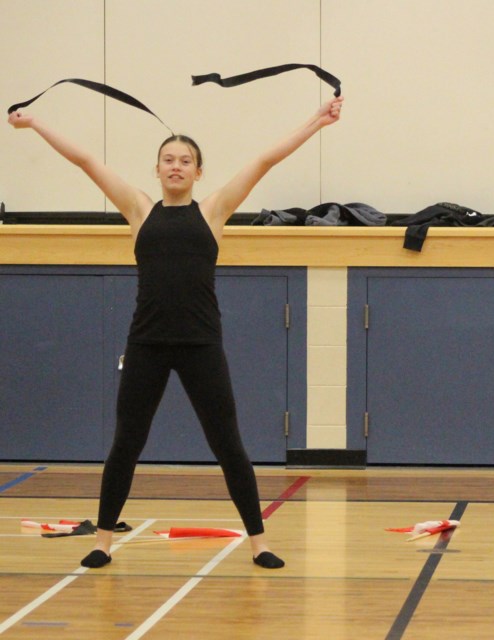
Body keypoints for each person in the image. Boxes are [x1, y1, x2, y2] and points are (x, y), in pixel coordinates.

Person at [8, 95, 344, 569]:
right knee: (126, 442)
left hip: (201, 346)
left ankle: (259, 543)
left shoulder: (213, 212)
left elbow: (265, 160)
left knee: (228, 444)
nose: (176, 166)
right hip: (146, 344)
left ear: (198, 173)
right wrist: (36, 122)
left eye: (186, 161)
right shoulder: (139, 210)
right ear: (157, 169)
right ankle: (102, 541)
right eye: (169, 160)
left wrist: (316, 121)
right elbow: (85, 160)